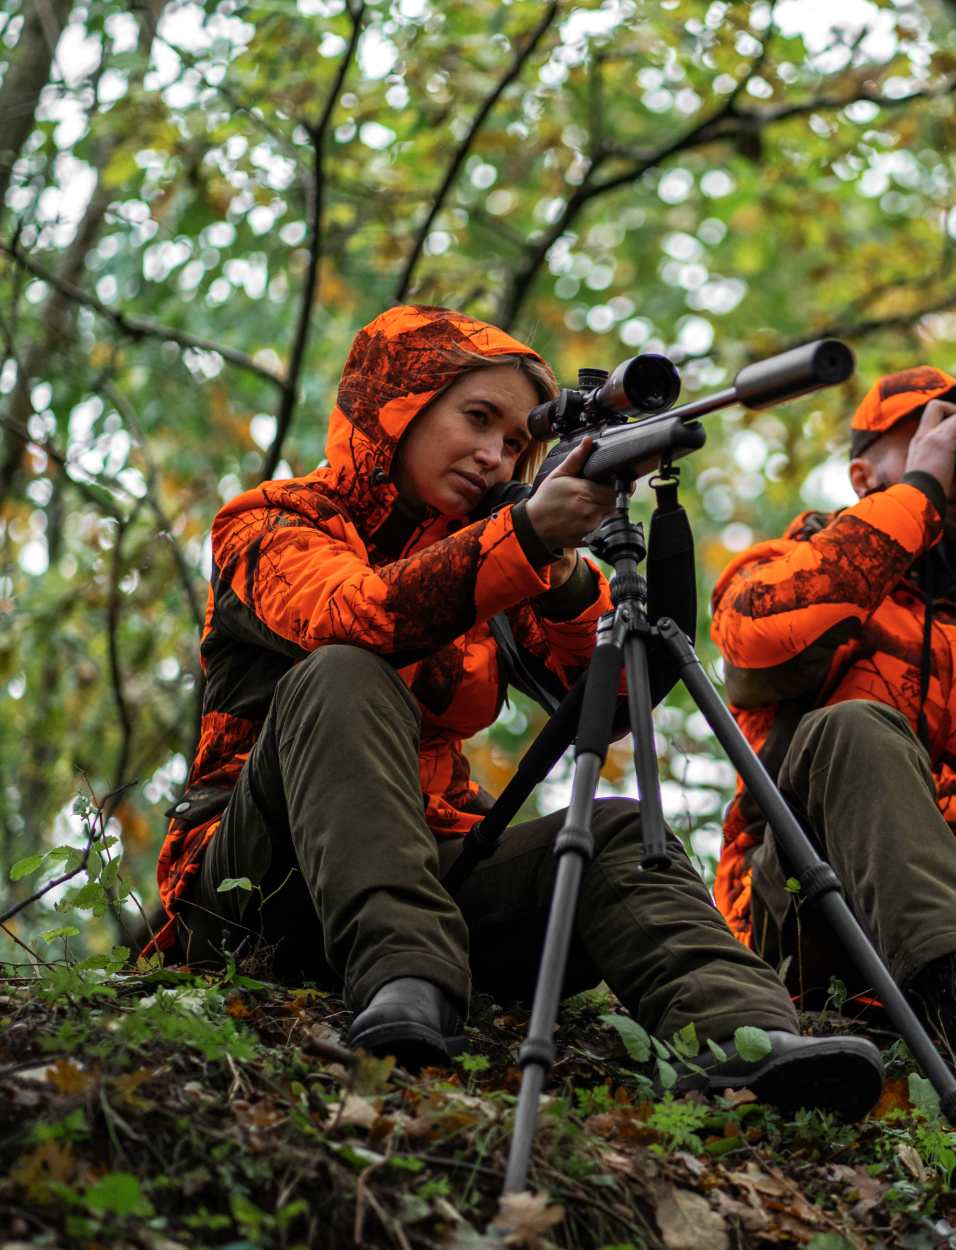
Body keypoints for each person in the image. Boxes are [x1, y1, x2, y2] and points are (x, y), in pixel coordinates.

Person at [145, 305, 883, 1116]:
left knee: (612, 829)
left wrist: (564, 573)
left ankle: (743, 1038)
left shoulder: (496, 546)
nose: (494, 454)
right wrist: (525, 535)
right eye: (477, 419)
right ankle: (407, 985)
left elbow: (615, 704)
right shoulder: (273, 520)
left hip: (433, 880)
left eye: (513, 442)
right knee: (344, 671)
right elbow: (354, 614)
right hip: (256, 895)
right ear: (400, 405)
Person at [711, 364, 956, 1110]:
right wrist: (920, 498)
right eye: (930, 434)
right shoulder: (787, 565)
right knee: (856, 728)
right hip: (811, 924)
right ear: (863, 474)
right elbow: (757, 645)